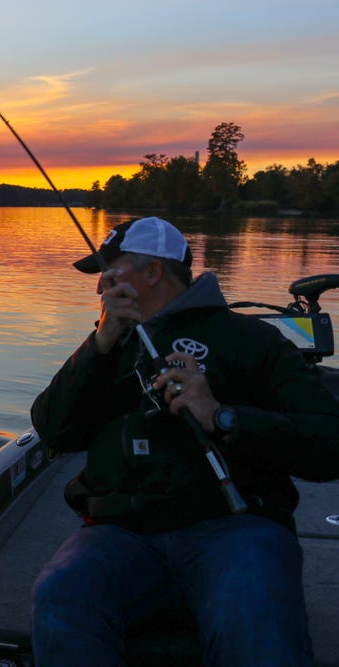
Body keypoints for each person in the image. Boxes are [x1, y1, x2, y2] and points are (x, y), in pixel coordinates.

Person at [28, 216, 339, 666]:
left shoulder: (252, 340)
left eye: (110, 273)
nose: (100, 288)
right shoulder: (108, 345)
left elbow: (329, 441)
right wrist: (99, 344)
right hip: (121, 533)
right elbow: (53, 430)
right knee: (60, 594)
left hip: (237, 530)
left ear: (152, 273)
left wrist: (221, 415)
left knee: (256, 619)